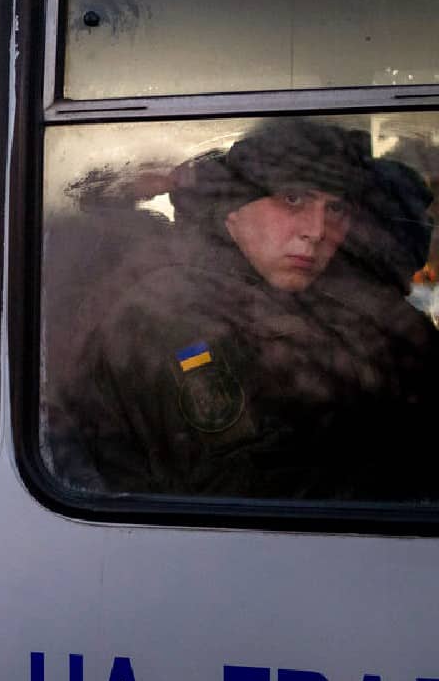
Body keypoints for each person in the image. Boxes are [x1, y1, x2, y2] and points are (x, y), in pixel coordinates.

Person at [48, 118, 439, 499]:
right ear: (234, 211)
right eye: (293, 200)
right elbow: (243, 493)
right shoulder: (177, 312)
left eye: (335, 210)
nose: (316, 231)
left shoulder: (307, 304)